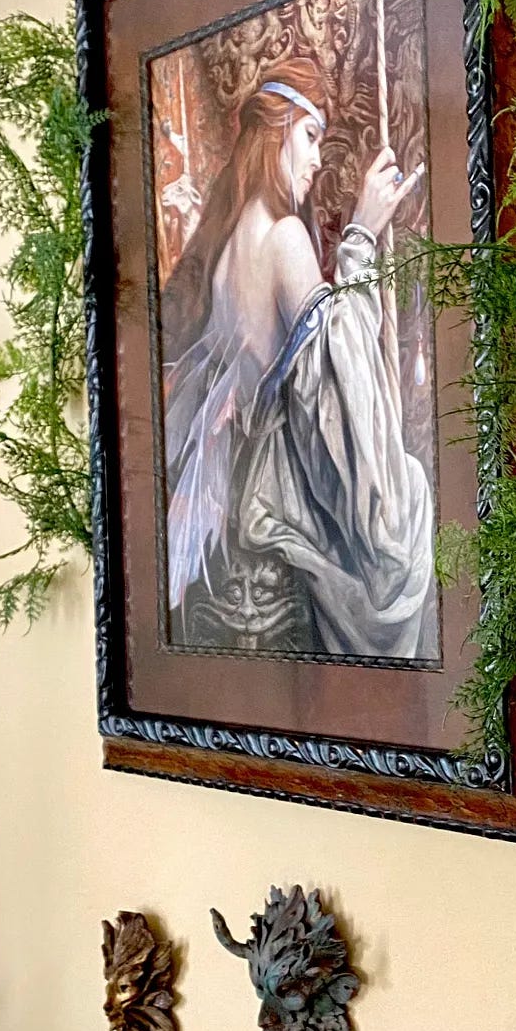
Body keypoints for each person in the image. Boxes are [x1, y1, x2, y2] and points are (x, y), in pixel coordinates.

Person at [160, 59, 434, 659]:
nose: (316, 160)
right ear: (276, 129)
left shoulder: (231, 245)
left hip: (246, 492)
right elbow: (341, 380)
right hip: (279, 490)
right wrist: (361, 234)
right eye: (310, 137)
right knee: (409, 500)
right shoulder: (284, 237)